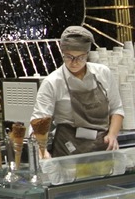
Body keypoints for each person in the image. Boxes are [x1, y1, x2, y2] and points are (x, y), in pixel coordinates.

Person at [30, 25, 124, 157]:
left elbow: (117, 109)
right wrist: (42, 150)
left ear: (87, 54)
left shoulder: (103, 73)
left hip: (103, 148)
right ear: (62, 53)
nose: (74, 62)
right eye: (69, 57)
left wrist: (112, 135)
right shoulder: (52, 82)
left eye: (80, 57)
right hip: (68, 152)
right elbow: (39, 120)